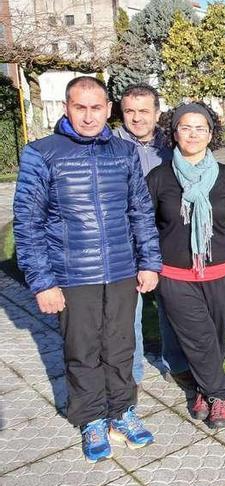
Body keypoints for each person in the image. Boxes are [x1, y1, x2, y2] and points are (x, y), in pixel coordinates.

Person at [14, 76, 161, 462]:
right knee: (82, 350)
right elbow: (27, 224)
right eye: (80, 107)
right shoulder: (41, 153)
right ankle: (92, 417)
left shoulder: (123, 153)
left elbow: (140, 212)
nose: (89, 116)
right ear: (67, 108)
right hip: (71, 275)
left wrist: (148, 261)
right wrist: (42, 282)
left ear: (108, 110)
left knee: (121, 346)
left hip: (121, 270)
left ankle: (122, 411)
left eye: (96, 108)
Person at [147, 102, 225, 429]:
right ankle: (219, 395)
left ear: (211, 134)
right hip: (175, 275)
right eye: (185, 127)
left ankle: (202, 388)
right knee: (197, 335)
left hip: (224, 273)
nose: (193, 134)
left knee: (214, 337)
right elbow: (145, 226)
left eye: (200, 128)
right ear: (173, 133)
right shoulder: (159, 178)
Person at [115, 83, 189, 387]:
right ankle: (132, 372)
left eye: (143, 111)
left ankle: (177, 363)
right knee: (129, 310)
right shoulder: (112, 145)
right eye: (130, 111)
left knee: (172, 305)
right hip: (126, 238)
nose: (136, 118)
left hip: (166, 236)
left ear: (157, 113)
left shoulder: (171, 147)